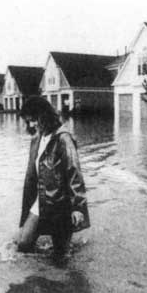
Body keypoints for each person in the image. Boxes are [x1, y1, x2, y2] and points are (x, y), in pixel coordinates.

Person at [16, 96, 90, 262]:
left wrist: (78, 207)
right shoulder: (36, 140)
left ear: (44, 116)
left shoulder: (63, 138)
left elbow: (74, 173)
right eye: (28, 122)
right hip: (40, 201)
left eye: (33, 120)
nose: (31, 125)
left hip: (61, 206)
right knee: (23, 244)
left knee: (60, 258)